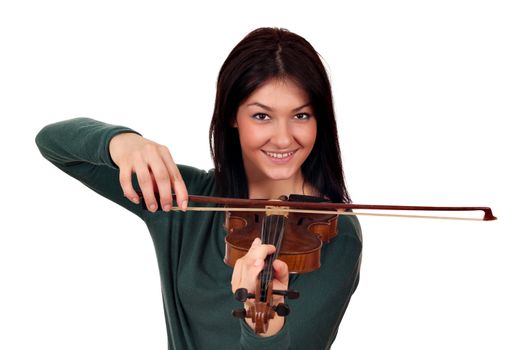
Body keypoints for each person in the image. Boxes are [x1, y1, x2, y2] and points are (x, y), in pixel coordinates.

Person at [36, 27, 362, 349]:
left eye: (301, 115)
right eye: (262, 116)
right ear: (233, 116)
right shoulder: (183, 198)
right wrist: (120, 142)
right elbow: (53, 143)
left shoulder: (333, 233)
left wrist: (262, 331)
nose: (282, 137)